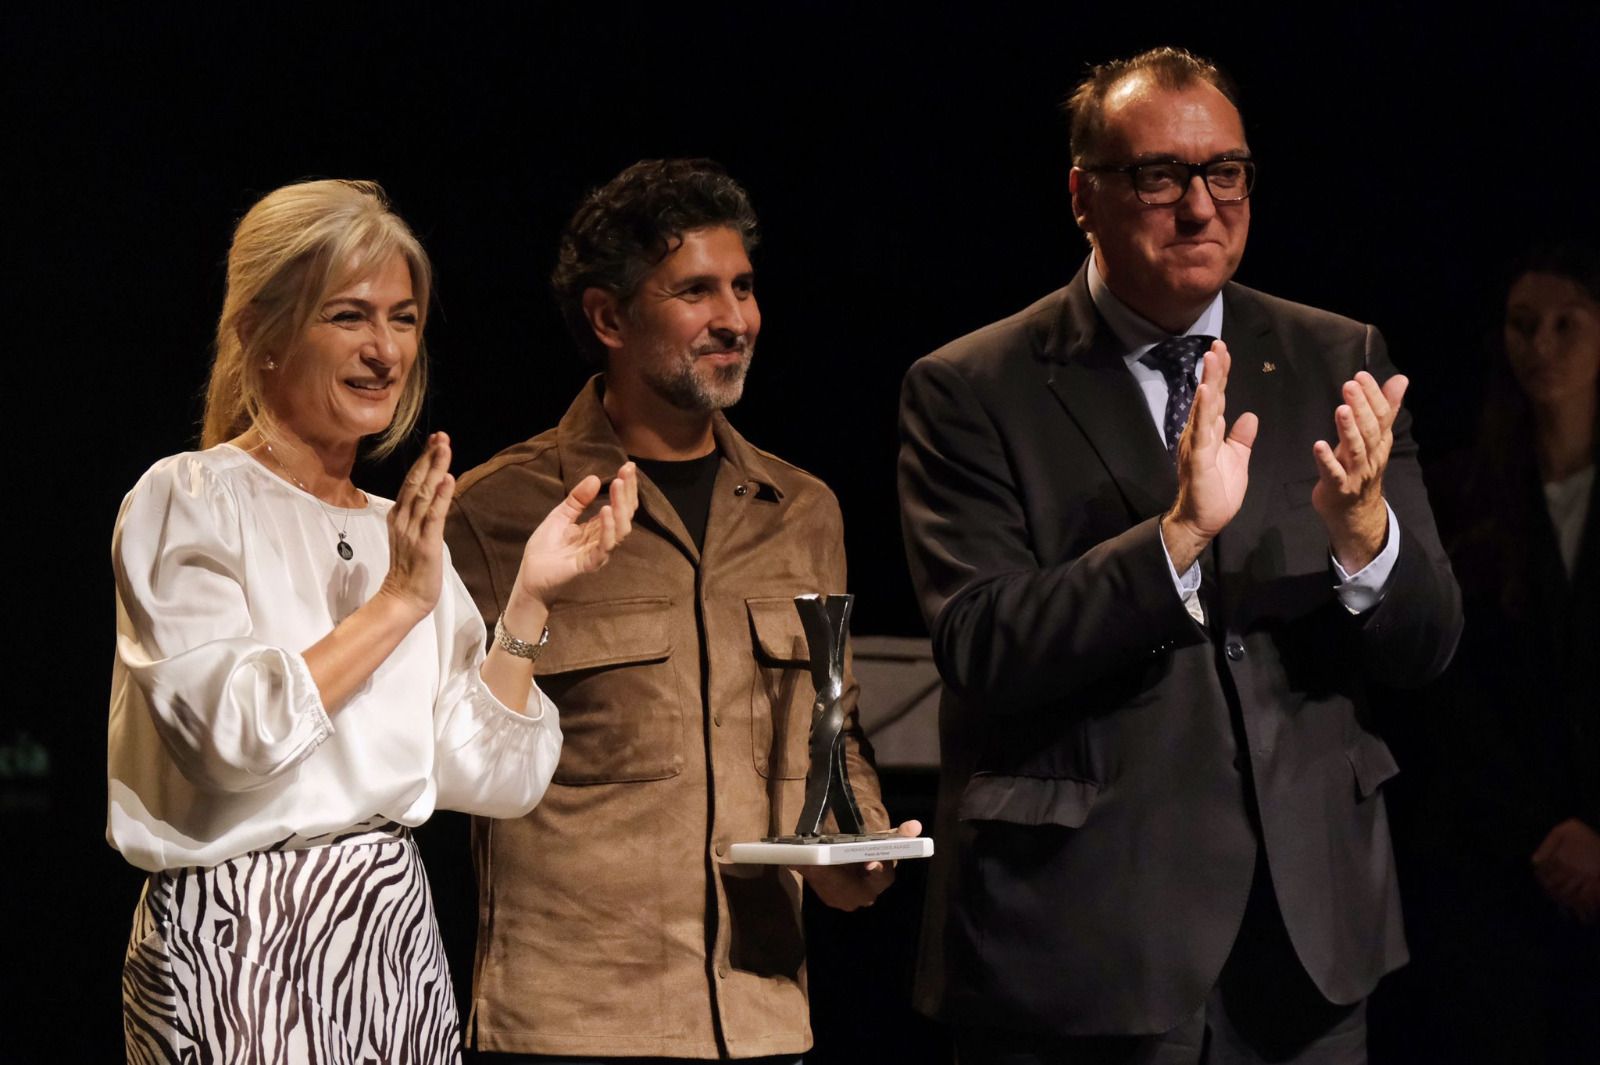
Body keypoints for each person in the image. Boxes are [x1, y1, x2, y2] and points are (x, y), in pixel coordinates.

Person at [897, 48, 1462, 1062]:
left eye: (1225, 173)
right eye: (1159, 176)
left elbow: (1428, 645)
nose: (1201, 208)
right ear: (1083, 195)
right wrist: (1175, 540)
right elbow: (982, 643)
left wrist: (1365, 539)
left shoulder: (1341, 357)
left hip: (1306, 950)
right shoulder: (971, 386)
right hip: (1087, 945)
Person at [109, 178, 637, 1064]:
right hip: (241, 938)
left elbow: (484, 773)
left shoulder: (399, 530)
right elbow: (230, 734)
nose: (384, 350)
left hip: (392, 937)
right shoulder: (190, 500)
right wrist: (397, 602)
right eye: (348, 315)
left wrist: (531, 598)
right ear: (262, 333)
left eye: (403, 318)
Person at [445, 158, 917, 1062]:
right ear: (608, 317)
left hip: (762, 1017)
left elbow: (832, 726)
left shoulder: (802, 510)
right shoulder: (496, 512)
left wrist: (856, 846)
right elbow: (449, 751)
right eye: (696, 291)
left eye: (743, 286)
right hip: (576, 1026)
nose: (735, 318)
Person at [1402, 242, 1600, 1063]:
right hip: (1497, 861)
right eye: (1524, 325)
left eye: (1566, 324)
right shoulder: (1463, 492)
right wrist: (1543, 831)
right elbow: (1452, 687)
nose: (1542, 345)